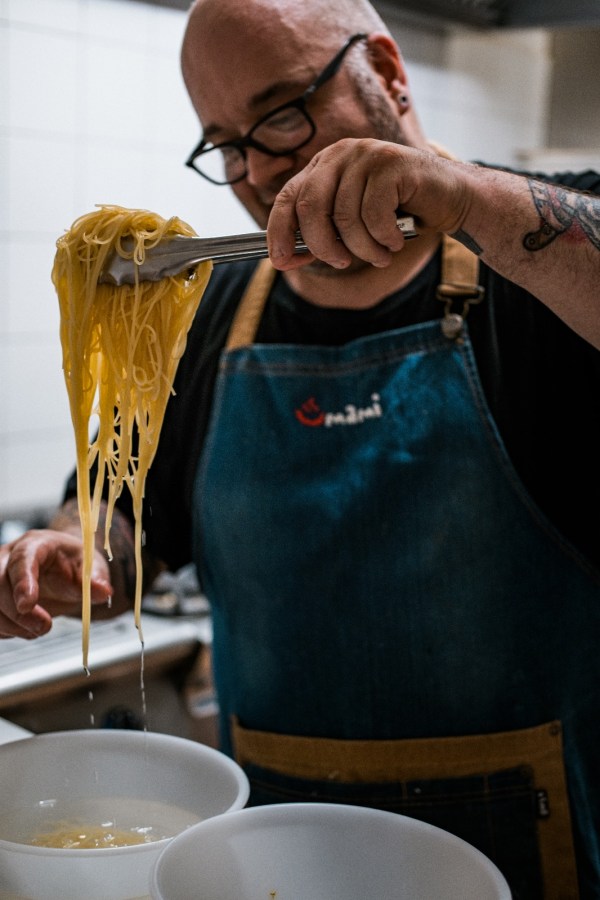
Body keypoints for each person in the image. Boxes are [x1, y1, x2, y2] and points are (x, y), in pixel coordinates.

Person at [1, 0, 600, 894]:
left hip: (527, 854)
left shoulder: (537, 259)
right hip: (265, 857)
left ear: (388, 73)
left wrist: (466, 194)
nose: (263, 173)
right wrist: (77, 548)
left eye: (283, 114)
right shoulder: (208, 309)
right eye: (230, 144)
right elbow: (120, 507)